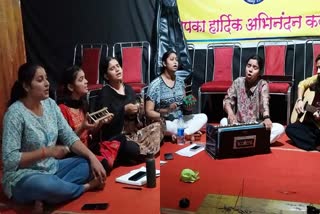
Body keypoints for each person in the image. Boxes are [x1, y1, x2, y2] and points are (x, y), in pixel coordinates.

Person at [2, 63, 106, 214]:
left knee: (90, 165)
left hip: (53, 168)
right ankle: (85, 187)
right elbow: (9, 160)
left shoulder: (50, 104)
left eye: (46, 78)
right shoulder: (14, 114)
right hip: (24, 176)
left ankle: (48, 196)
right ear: (26, 86)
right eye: (40, 80)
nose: (47, 83)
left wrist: (92, 157)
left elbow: (69, 137)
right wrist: (46, 152)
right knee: (45, 185)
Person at [58, 65, 123, 174]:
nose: (86, 81)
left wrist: (101, 123)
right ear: (70, 87)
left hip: (89, 148)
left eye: (85, 78)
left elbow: (90, 135)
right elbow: (66, 142)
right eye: (81, 79)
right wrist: (82, 127)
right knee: (106, 164)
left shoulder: (82, 104)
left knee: (123, 141)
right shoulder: (62, 109)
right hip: (75, 153)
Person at [96, 57, 162, 159]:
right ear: (106, 76)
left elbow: (139, 122)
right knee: (130, 148)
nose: (117, 69)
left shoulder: (129, 89)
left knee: (160, 124)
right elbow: (105, 123)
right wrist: (124, 110)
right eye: (112, 69)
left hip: (134, 134)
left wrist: (140, 110)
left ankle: (141, 153)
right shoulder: (105, 93)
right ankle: (142, 152)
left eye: (118, 66)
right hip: (118, 138)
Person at [221, 55, 284, 143]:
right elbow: (227, 99)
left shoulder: (263, 84)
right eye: (248, 66)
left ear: (259, 72)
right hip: (238, 125)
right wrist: (230, 113)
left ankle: (241, 141)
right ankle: (255, 142)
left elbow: (265, 102)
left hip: (256, 127)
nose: (250, 70)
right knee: (223, 121)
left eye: (255, 68)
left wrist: (266, 117)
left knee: (280, 128)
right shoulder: (238, 81)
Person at [145, 50, 208, 139]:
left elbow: (185, 105)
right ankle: (187, 132)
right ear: (164, 63)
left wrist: (189, 105)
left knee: (203, 117)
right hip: (165, 121)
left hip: (180, 120)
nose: (175, 62)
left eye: (176, 60)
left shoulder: (180, 82)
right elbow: (149, 112)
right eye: (172, 59)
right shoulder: (155, 85)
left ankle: (182, 133)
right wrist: (167, 110)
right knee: (162, 126)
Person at [285, 54, 320, 151]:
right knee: (290, 129)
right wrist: (300, 100)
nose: (318, 71)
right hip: (313, 126)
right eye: (317, 68)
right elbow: (302, 84)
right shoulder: (317, 78)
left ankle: (313, 144)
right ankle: (315, 144)